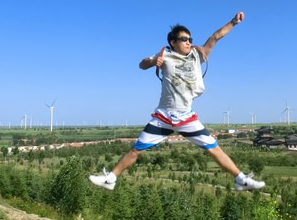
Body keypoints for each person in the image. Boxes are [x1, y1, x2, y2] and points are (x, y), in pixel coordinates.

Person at [89, 12, 265, 191]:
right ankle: (110, 179)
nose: (188, 42)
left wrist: (234, 22)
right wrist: (152, 62)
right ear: (173, 42)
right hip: (163, 117)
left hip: (186, 117)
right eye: (184, 39)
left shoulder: (197, 55)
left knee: (214, 148)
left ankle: (241, 180)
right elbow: (142, 64)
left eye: (190, 39)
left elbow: (215, 37)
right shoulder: (164, 55)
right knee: (136, 149)